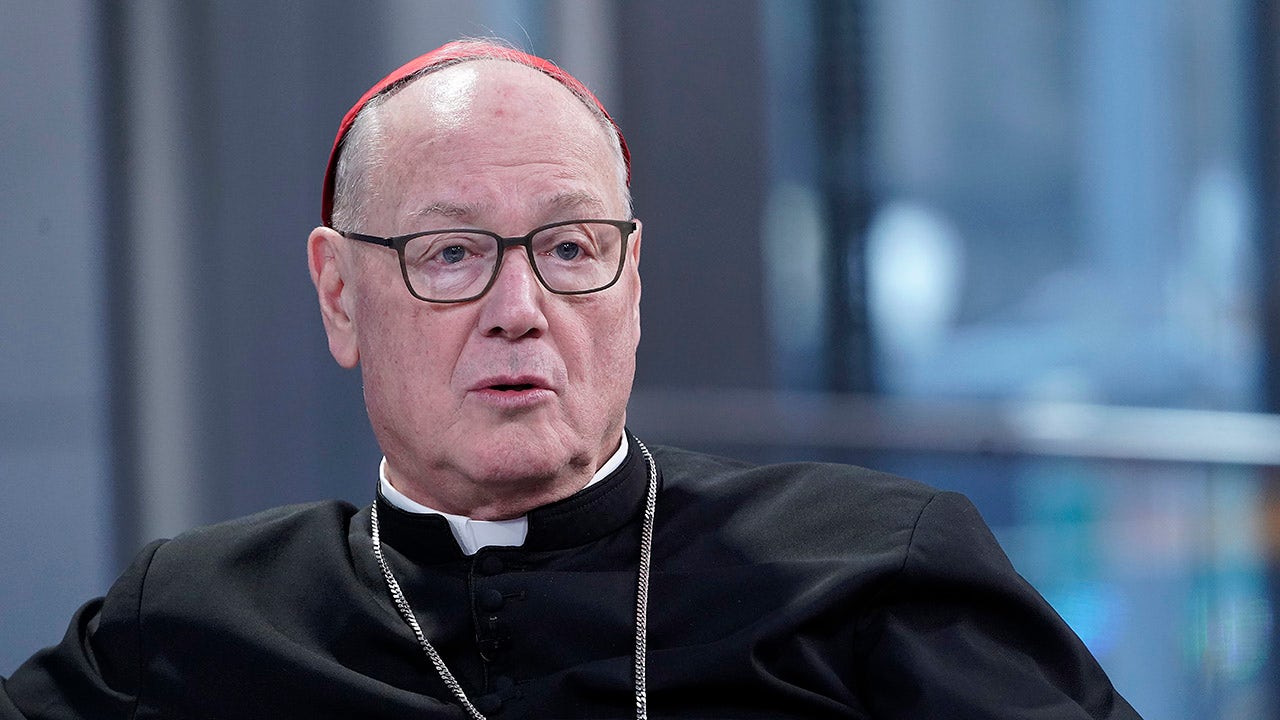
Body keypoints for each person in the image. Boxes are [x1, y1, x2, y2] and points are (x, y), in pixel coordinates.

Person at [1, 40, 1142, 719]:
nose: (519, 309)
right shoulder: (194, 618)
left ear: (630, 283)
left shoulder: (871, 571)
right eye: (452, 253)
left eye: (569, 247)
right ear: (339, 296)